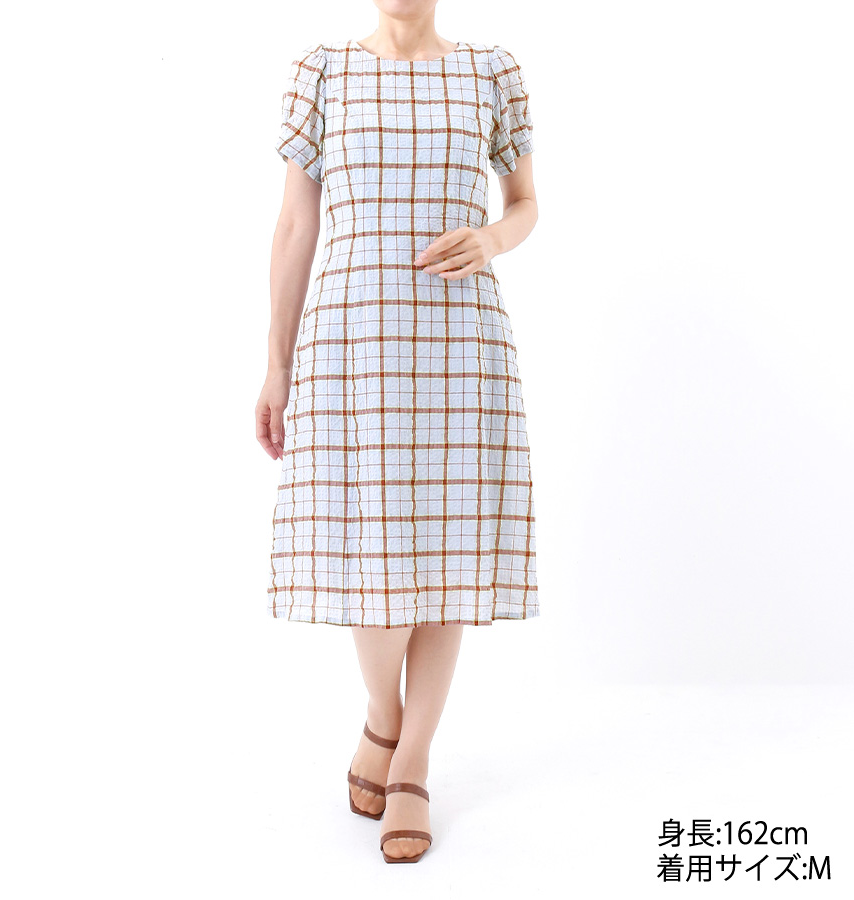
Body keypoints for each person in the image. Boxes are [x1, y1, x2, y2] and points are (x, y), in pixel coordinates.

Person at [257, 4, 539, 864]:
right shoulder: (323, 70)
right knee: (372, 553)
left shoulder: (492, 70)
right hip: (353, 341)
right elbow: (296, 223)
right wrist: (276, 363)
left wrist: (491, 237)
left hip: (461, 339)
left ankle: (411, 757)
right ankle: (384, 716)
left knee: (448, 552)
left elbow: (526, 204)